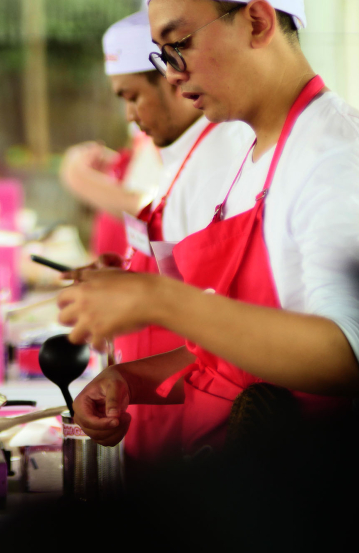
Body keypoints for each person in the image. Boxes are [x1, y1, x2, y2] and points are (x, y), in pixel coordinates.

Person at [61, 0, 359, 458]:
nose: (174, 75)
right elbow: (232, 357)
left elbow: (353, 357)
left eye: (179, 45)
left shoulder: (337, 158)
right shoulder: (251, 156)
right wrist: (131, 379)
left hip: (307, 498)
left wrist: (161, 299)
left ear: (256, 22)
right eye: (163, 55)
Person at [62, 9, 253, 473]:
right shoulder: (183, 161)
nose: (129, 116)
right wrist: (124, 278)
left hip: (201, 431)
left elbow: (217, 319)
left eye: (133, 96)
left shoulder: (226, 160)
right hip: (159, 409)